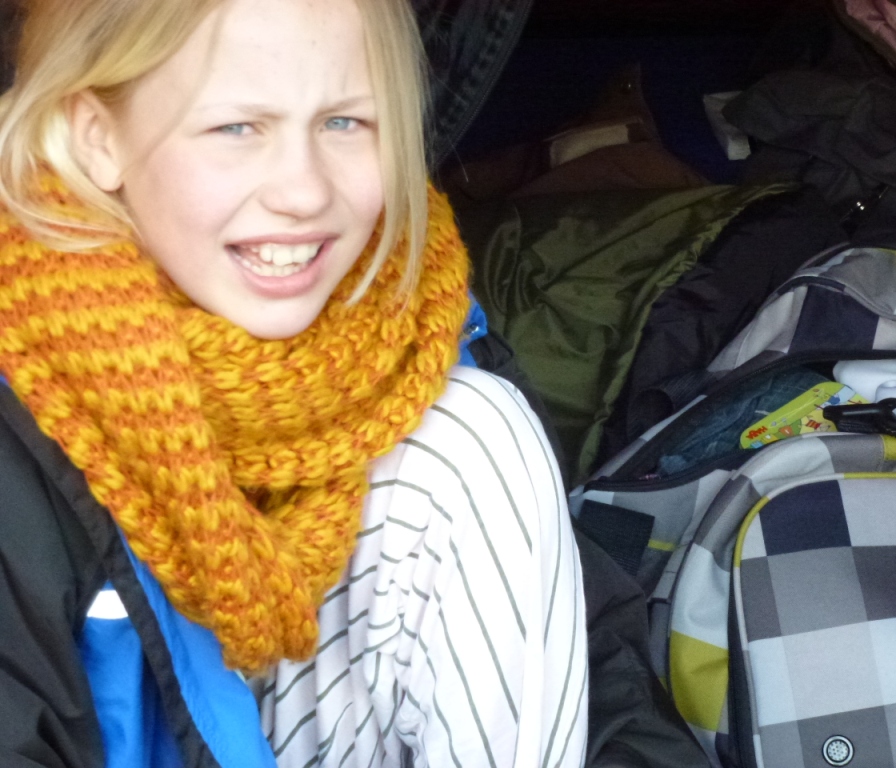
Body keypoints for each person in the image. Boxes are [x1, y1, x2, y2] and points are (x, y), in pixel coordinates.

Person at [0, 0, 588, 765]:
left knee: (472, 427)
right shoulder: (21, 413)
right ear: (96, 137)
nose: (304, 191)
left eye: (346, 122)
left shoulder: (412, 331)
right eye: (237, 128)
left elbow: (609, 678)